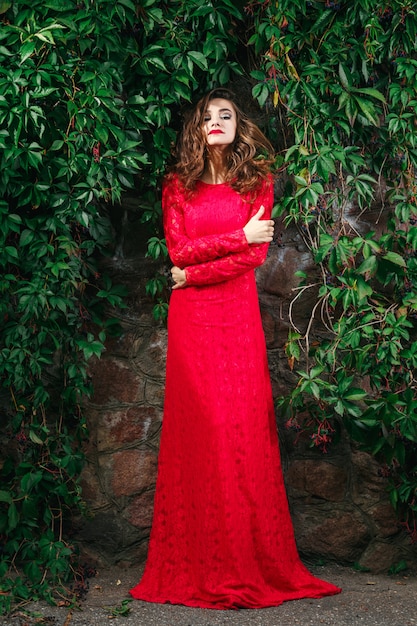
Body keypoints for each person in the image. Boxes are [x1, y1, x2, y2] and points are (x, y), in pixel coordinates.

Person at [129, 87, 341, 609]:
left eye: (225, 115)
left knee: (241, 432)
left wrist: (195, 272)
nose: (216, 122)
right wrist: (233, 238)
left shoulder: (257, 180)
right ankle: (198, 564)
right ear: (196, 129)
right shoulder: (177, 185)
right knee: (199, 434)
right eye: (207, 117)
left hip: (237, 320)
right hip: (193, 327)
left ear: (237, 124)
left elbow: (253, 258)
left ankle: (247, 561)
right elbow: (178, 249)